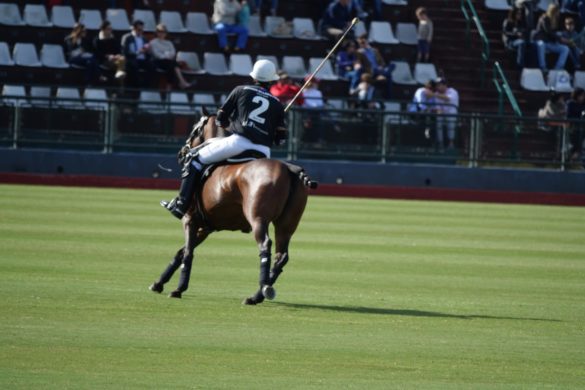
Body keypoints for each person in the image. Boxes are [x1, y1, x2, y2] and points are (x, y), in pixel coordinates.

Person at [161, 59, 286, 219]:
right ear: (272, 80)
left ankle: (181, 205)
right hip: (263, 152)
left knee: (193, 159)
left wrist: (231, 125)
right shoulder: (277, 104)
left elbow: (220, 119)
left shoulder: (241, 90)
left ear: (254, 77)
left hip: (239, 142)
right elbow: (280, 140)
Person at [148, 24, 192, 89]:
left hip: (168, 61)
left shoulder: (169, 43)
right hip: (158, 61)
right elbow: (156, 54)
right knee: (173, 64)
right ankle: (180, 82)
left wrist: (167, 55)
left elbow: (173, 52)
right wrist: (166, 55)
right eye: (160, 32)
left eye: (163, 32)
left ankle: (173, 85)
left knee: (171, 65)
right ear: (156, 32)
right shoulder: (153, 42)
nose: (161, 34)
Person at [355, 33, 394, 98]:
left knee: (391, 69)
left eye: (363, 42)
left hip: (377, 70)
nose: (362, 44)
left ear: (366, 41)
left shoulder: (374, 51)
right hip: (368, 71)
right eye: (360, 43)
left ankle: (389, 97)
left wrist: (381, 66)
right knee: (386, 74)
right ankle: (385, 73)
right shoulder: (359, 52)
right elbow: (357, 62)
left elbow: (382, 62)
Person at [534, 4, 570, 72]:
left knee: (565, 49)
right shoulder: (544, 18)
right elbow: (548, 31)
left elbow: (554, 33)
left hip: (549, 42)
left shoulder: (555, 20)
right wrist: (560, 39)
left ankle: (558, 68)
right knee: (542, 45)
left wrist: (560, 39)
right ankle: (543, 67)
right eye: (557, 11)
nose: (558, 13)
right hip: (540, 40)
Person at [121, 20, 153, 88]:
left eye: (142, 30)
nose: (141, 31)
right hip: (132, 60)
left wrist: (148, 51)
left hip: (143, 60)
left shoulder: (144, 39)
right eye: (139, 30)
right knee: (133, 66)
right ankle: (136, 88)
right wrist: (138, 52)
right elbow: (125, 52)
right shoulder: (127, 38)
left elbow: (148, 53)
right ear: (134, 28)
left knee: (152, 66)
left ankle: (148, 87)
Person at [434, 78, 459, 150]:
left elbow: (448, 98)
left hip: (451, 113)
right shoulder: (436, 94)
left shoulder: (452, 91)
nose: (438, 87)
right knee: (438, 119)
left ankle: (451, 143)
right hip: (442, 114)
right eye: (437, 85)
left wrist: (434, 95)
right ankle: (440, 143)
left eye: (440, 85)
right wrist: (439, 111)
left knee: (450, 119)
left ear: (445, 85)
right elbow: (437, 107)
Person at [565, 87, 585, 160]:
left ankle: (576, 154)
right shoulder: (570, 103)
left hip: (582, 128)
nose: (582, 97)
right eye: (581, 95)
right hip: (573, 128)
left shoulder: (584, 104)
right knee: (576, 142)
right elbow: (569, 116)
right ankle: (573, 156)